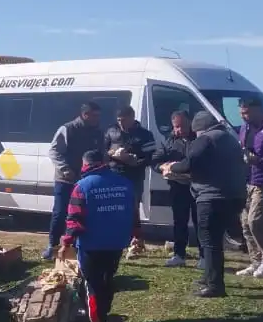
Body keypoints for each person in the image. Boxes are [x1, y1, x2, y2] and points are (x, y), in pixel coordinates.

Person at [164, 111, 248, 297]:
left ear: (199, 129)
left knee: (209, 241)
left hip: (212, 197)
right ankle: (209, 275)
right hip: (234, 196)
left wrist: (171, 167)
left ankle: (214, 285)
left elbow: (189, 163)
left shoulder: (206, 139)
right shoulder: (229, 138)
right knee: (215, 240)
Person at [59, 151, 135, 322]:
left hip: (91, 244)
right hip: (117, 242)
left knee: (93, 284)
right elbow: (133, 213)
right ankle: (103, 317)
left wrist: (66, 242)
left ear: (86, 164)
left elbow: (74, 220)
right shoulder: (124, 183)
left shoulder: (82, 186)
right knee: (107, 280)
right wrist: (137, 236)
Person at [43, 101, 104, 260]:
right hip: (66, 180)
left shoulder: (97, 132)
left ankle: (79, 247)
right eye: (95, 115)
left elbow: (101, 154)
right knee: (60, 213)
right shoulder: (68, 129)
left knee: (84, 215)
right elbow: (54, 152)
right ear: (85, 115)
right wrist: (65, 169)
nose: (98, 119)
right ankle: (52, 246)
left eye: (99, 116)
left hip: (86, 181)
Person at [103, 105, 157, 257]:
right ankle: (115, 240)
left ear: (132, 117)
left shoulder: (145, 134)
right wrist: (113, 154)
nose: (121, 123)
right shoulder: (111, 131)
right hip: (114, 175)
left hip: (134, 176)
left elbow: (151, 157)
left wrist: (134, 161)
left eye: (124, 120)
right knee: (114, 208)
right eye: (119, 120)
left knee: (133, 209)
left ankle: (136, 242)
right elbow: (103, 151)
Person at [236, 97, 263, 278]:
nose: (244, 116)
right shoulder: (244, 128)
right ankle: (256, 261)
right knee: (244, 223)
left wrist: (260, 160)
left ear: (259, 109)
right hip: (247, 180)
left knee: (256, 221)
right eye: (241, 113)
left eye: (247, 112)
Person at [160, 110, 198, 267]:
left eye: (182, 126)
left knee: (199, 221)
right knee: (179, 221)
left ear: (190, 123)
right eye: (176, 127)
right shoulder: (170, 141)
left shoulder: (199, 139)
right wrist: (162, 167)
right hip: (177, 186)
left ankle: (204, 257)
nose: (179, 130)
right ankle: (179, 255)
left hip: (197, 186)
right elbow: (157, 158)